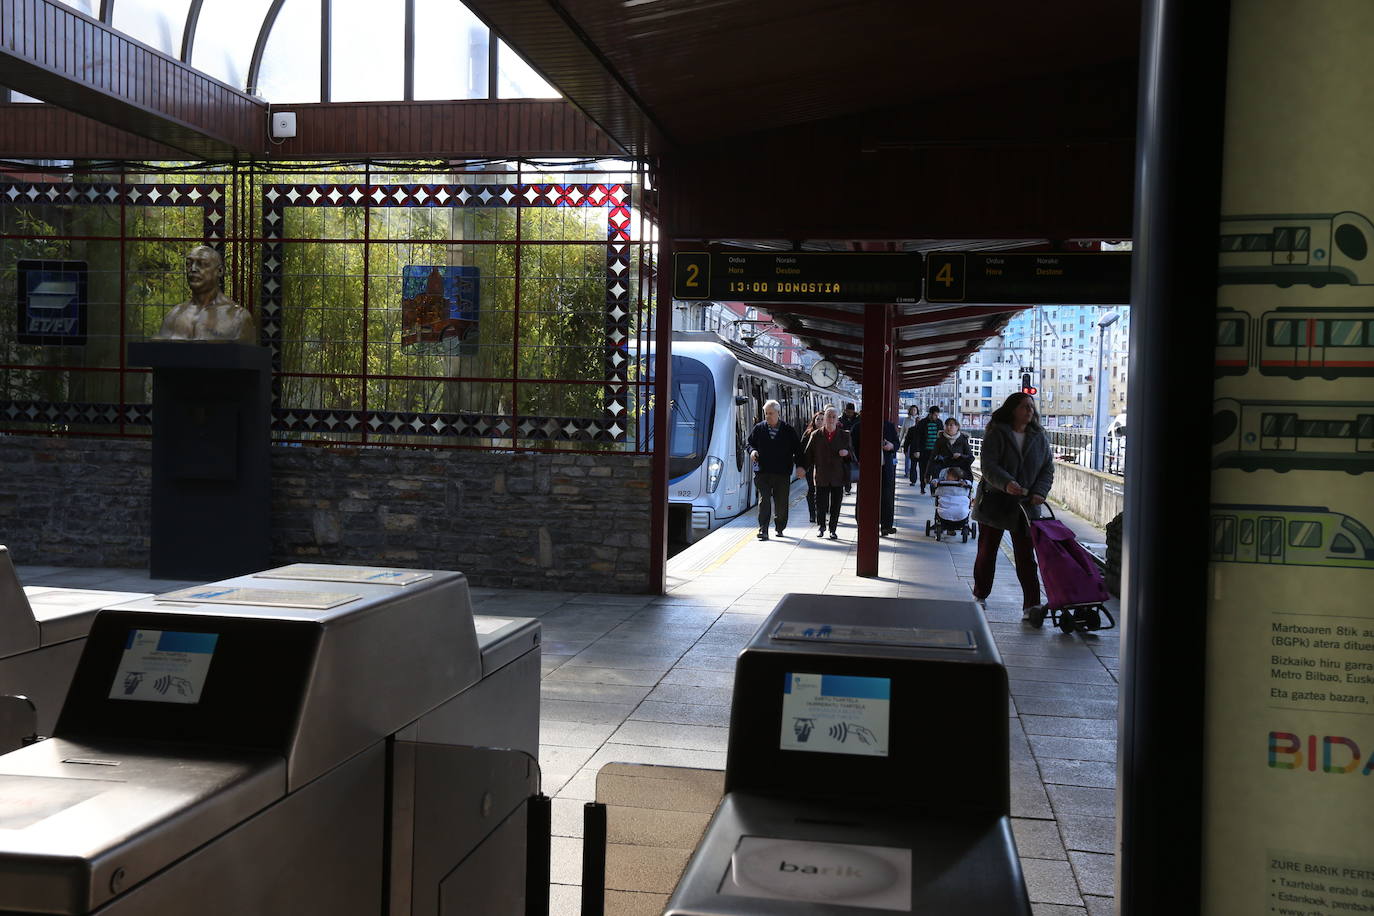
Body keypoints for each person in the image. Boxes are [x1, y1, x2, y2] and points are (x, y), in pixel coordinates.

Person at [971, 392, 1055, 623]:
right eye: (1024, 407)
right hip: (995, 501)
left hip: (1026, 505)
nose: (1029, 411)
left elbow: (1048, 468)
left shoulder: (1039, 436)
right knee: (987, 551)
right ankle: (980, 594)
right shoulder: (996, 432)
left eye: (1031, 407)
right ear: (1012, 409)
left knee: (1026, 556)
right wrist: (1006, 483)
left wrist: (1040, 492)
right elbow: (988, 465)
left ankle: (1032, 605)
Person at [154, 245, 257, 343]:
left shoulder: (238, 317)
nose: (193, 269)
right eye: (189, 264)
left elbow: (246, 359)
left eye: (202, 264)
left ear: (220, 271)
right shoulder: (174, 315)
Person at [747, 399, 805, 540]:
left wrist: (800, 466)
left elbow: (798, 450)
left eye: (771, 413)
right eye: (766, 413)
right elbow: (749, 443)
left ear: (778, 413)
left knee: (781, 502)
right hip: (762, 472)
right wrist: (752, 451)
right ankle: (763, 529)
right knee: (764, 500)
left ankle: (779, 527)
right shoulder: (759, 428)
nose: (768, 416)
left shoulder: (788, 430)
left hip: (782, 473)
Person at [802, 406, 851, 540]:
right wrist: (802, 467)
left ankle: (833, 529)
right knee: (821, 503)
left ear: (837, 419)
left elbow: (852, 454)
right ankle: (821, 526)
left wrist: (846, 453)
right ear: (824, 419)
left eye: (834, 417)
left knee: (836, 504)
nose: (831, 419)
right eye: (829, 416)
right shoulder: (816, 435)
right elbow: (808, 455)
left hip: (838, 476)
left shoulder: (844, 435)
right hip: (821, 475)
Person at [851, 410, 901, 536]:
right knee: (864, 496)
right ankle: (862, 523)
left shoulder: (888, 426)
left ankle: (886, 525)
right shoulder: (858, 427)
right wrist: (858, 460)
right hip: (865, 467)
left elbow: (897, 443)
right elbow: (852, 446)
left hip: (885, 466)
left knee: (887, 495)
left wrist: (891, 446)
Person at [903, 405, 942, 491]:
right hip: (924, 451)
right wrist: (917, 450)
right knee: (923, 469)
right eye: (935, 415)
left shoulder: (939, 423)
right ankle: (922, 486)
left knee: (935, 471)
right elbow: (917, 438)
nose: (936, 417)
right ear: (930, 414)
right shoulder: (922, 423)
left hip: (935, 451)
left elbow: (942, 437)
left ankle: (933, 490)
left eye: (937, 415)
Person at [802, 411, 824, 524]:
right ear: (814, 421)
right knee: (811, 489)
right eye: (818, 419)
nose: (820, 421)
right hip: (811, 467)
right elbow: (802, 451)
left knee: (822, 491)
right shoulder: (808, 434)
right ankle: (812, 514)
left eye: (822, 419)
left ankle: (821, 512)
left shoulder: (829, 434)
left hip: (824, 468)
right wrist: (802, 466)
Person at [838, 403, 859, 494]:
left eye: (851, 412)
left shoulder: (858, 420)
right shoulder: (840, 420)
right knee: (843, 466)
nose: (849, 413)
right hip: (843, 446)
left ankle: (848, 485)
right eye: (848, 412)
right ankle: (846, 485)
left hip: (853, 447)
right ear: (845, 411)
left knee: (850, 466)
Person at [898, 405, 920, 480]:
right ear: (910, 411)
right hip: (908, 441)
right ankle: (907, 472)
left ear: (917, 411)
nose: (913, 411)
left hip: (917, 442)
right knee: (907, 458)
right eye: (912, 410)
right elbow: (902, 431)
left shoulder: (920, 420)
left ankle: (913, 473)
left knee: (915, 460)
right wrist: (899, 442)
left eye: (915, 410)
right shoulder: (906, 420)